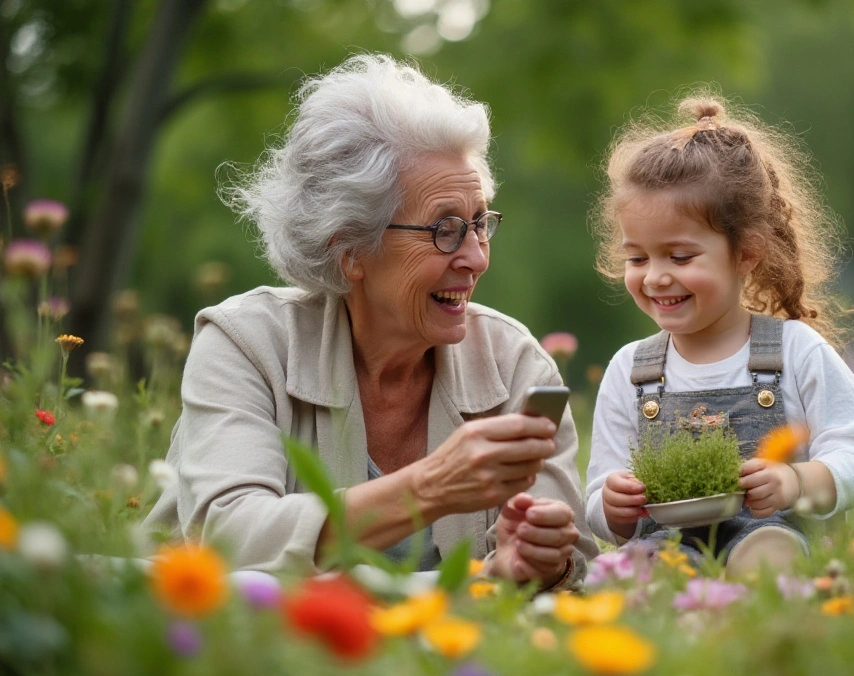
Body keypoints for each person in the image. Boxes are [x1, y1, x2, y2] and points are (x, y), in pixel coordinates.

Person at [144, 55, 598, 588]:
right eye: (445, 229)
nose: (476, 257)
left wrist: (538, 564)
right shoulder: (247, 342)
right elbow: (228, 538)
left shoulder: (515, 364)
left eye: (480, 223)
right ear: (350, 249)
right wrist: (430, 487)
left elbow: (576, 566)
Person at [584, 95, 854, 576]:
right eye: (638, 258)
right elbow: (600, 498)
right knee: (631, 570)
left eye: (680, 257)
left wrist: (796, 481)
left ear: (746, 253)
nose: (656, 277)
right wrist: (612, 505)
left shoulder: (794, 350)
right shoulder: (631, 370)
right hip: (666, 550)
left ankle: (756, 605)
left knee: (771, 552)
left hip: (771, 537)